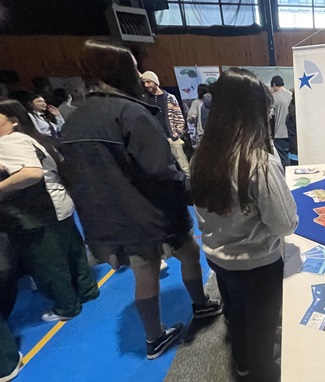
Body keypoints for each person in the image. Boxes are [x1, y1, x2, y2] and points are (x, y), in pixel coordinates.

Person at [59, 40, 222, 360]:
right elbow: (160, 170)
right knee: (189, 252)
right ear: (119, 71)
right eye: (133, 67)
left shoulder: (76, 118)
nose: (138, 73)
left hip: (109, 217)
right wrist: (195, 190)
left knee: (143, 271)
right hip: (150, 212)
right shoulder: (130, 112)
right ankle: (196, 309)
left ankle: (155, 335)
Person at [192, 67, 298, 382]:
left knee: (236, 317)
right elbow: (284, 224)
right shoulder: (259, 161)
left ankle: (243, 366)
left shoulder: (202, 155)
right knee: (263, 329)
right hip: (258, 264)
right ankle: (262, 374)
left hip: (218, 259)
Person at [0, 99, 100, 322]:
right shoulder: (35, 138)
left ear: (13, 121)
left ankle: (67, 306)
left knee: (48, 263)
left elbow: (31, 174)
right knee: (74, 253)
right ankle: (87, 290)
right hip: (59, 202)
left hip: (37, 212)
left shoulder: (8, 142)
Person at [141, 70, 191, 177]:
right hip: (156, 138)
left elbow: (178, 115)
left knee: (183, 165)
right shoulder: (145, 99)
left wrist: (178, 131)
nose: (146, 85)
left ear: (155, 82)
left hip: (171, 136)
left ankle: (192, 186)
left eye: (148, 82)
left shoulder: (169, 98)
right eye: (144, 82)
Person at [270, 75, 292, 168]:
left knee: (283, 159)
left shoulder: (273, 97)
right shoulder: (291, 95)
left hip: (280, 133)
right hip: (292, 133)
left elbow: (271, 117)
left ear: (274, 85)